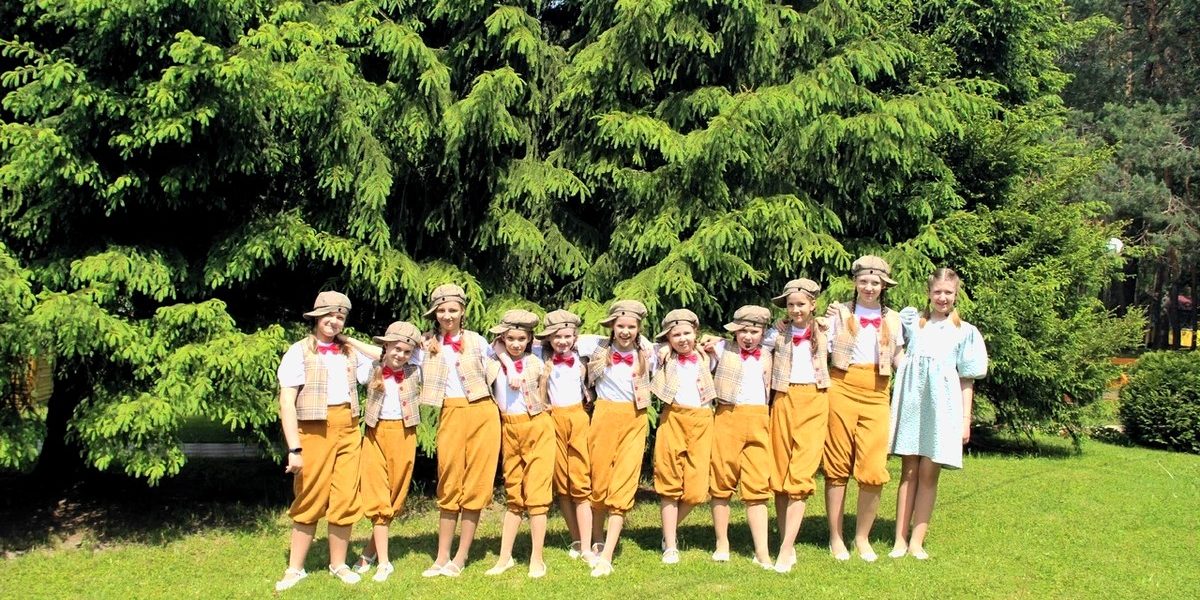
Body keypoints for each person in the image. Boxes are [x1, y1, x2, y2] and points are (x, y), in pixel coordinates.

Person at [274, 291, 373, 591]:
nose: (334, 321)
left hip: (348, 427)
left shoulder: (350, 352)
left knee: (345, 496)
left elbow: (382, 358)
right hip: (313, 429)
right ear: (317, 317)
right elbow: (287, 402)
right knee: (310, 496)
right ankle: (295, 569)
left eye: (340, 317)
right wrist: (294, 448)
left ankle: (338, 564)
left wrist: (350, 340)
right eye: (329, 315)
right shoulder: (299, 351)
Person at [888, 268, 988, 560]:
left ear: (956, 295)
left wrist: (965, 421)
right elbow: (896, 354)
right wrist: (904, 366)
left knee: (929, 473)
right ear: (929, 293)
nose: (942, 297)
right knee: (909, 472)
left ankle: (917, 541)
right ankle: (899, 539)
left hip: (943, 408)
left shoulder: (964, 331)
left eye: (948, 292)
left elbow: (966, 379)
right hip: (913, 404)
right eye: (937, 292)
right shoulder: (914, 324)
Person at [824, 256, 905, 562]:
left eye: (875, 283)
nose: (869, 287)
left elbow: (898, 358)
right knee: (837, 463)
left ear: (884, 286)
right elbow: (817, 344)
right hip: (842, 386)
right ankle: (835, 536)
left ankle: (862, 537)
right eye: (864, 282)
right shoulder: (839, 312)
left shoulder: (894, 319)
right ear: (855, 283)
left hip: (877, 391)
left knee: (873, 466)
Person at [575, 300, 657, 577]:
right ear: (611, 326)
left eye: (631, 326)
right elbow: (556, 340)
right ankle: (597, 539)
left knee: (624, 482)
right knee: (599, 480)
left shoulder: (647, 351)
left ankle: (607, 555)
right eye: (620, 325)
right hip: (603, 416)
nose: (625, 331)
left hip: (635, 418)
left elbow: (681, 346)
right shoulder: (595, 346)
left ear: (639, 328)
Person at [347, 321, 423, 582]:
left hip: (404, 434)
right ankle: (384, 563)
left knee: (394, 497)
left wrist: (412, 347)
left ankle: (369, 552)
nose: (400, 355)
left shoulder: (415, 370)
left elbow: (426, 354)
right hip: (375, 434)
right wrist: (348, 340)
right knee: (377, 494)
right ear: (385, 347)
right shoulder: (371, 369)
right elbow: (365, 354)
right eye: (395, 349)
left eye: (406, 351)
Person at [483, 309, 556, 578]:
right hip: (508, 429)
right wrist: (506, 359)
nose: (516, 344)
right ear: (503, 338)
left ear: (530, 339)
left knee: (537, 494)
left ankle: (537, 558)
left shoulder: (535, 360)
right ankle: (505, 558)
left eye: (522, 339)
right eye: (510, 338)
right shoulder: (493, 360)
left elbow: (578, 341)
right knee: (514, 493)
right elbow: (490, 345)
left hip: (536, 426)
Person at [765, 279, 832, 572]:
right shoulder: (777, 333)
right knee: (780, 471)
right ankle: (786, 542)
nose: (795, 310)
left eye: (801, 304)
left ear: (813, 304)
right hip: (783, 398)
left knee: (801, 473)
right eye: (791, 305)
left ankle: (785, 550)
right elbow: (745, 340)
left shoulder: (827, 330)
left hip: (815, 399)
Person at [703, 305, 775, 569]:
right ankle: (722, 542)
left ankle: (762, 551)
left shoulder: (769, 353)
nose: (747, 337)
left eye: (754, 332)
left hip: (759, 420)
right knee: (722, 480)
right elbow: (693, 352)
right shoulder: (722, 349)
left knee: (758, 483)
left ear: (763, 332)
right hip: (728, 417)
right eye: (742, 331)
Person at [651, 309, 716, 565]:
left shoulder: (708, 354)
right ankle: (670, 544)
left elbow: (733, 343)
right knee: (669, 480)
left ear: (695, 332)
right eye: (675, 335)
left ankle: (667, 529)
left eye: (687, 333)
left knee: (697, 490)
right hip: (673, 417)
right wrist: (664, 348)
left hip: (702, 420)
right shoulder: (663, 356)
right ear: (668, 338)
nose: (682, 339)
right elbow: (639, 345)